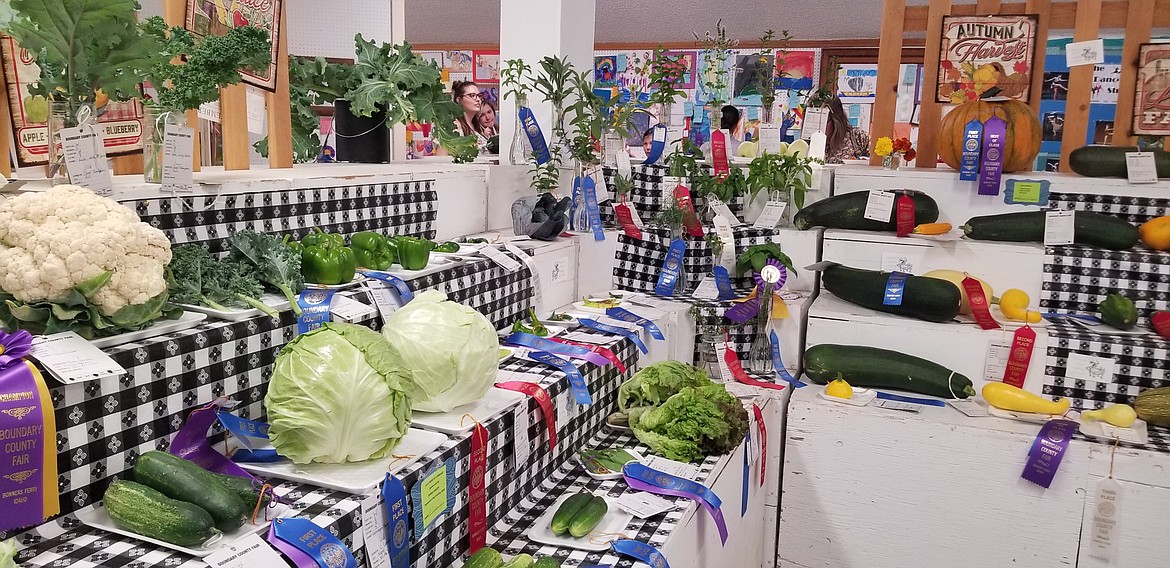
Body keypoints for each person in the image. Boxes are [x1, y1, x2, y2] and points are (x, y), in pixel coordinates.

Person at [824, 96, 871, 163]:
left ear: (836, 120)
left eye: (824, 121)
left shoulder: (858, 137)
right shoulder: (806, 143)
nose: (818, 127)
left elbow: (879, 161)